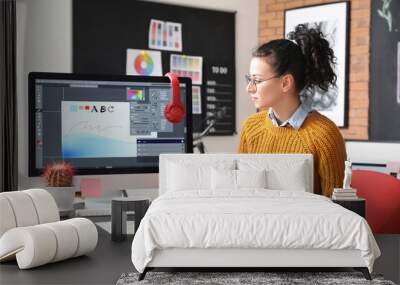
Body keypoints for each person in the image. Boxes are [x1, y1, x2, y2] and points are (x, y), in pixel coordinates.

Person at [238, 23, 346, 197]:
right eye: (248, 79)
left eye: (257, 80)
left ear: (285, 83)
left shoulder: (324, 136)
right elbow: (244, 194)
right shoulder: (251, 128)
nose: (249, 88)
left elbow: (338, 212)